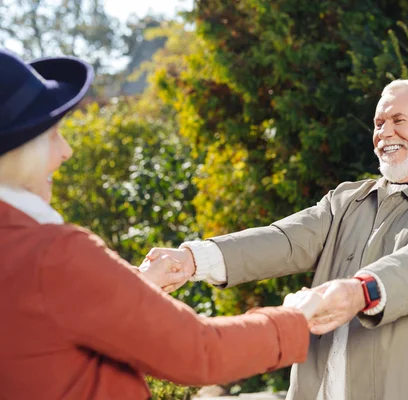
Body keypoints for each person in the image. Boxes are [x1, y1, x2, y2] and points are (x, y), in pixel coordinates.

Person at [0, 48, 324, 400]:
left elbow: (46, 321)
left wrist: (135, 288)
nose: (66, 152)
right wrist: (294, 320)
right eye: (52, 136)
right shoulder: (52, 254)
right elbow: (200, 352)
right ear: (19, 152)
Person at [148, 78, 408, 400]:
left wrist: (360, 292)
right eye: (378, 123)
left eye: (398, 120)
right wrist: (192, 259)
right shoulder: (345, 201)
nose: (383, 132)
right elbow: (282, 240)